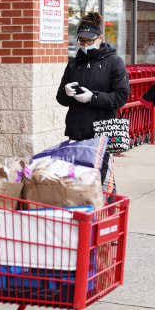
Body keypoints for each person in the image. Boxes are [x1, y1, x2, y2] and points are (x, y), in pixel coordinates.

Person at [56, 12, 130, 193]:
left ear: (100, 38)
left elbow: (121, 97)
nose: (85, 45)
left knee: (102, 180)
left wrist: (93, 97)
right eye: (81, 41)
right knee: (78, 180)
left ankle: (107, 215)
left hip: (102, 131)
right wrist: (66, 93)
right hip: (77, 130)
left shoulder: (114, 62)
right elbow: (60, 97)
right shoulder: (74, 64)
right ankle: (86, 217)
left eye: (89, 41)